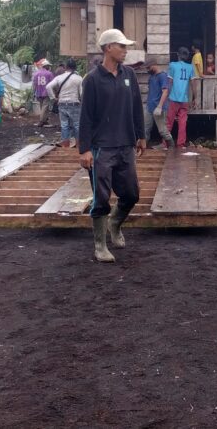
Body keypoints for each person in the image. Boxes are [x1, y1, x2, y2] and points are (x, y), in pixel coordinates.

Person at [79, 29, 145, 263]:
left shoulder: (129, 74)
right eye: (122, 46)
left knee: (132, 194)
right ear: (108, 48)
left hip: (126, 144)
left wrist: (141, 134)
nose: (126, 51)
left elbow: (137, 105)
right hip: (101, 149)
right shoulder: (93, 80)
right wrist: (84, 149)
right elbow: (85, 117)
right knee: (101, 197)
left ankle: (115, 223)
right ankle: (100, 246)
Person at [48, 59, 83, 148]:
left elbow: (48, 87)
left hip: (62, 104)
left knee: (64, 126)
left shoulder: (59, 77)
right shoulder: (79, 78)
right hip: (74, 104)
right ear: (75, 68)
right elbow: (82, 93)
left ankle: (65, 146)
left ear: (66, 67)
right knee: (76, 125)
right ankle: (78, 146)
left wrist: (53, 98)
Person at [166, 47, 194, 148]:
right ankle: (181, 144)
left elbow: (169, 82)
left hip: (173, 98)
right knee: (182, 122)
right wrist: (194, 97)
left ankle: (165, 143)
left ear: (178, 55)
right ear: (186, 57)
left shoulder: (172, 65)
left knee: (169, 122)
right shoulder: (190, 67)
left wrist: (166, 95)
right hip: (184, 99)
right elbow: (193, 84)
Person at [143, 56, 173, 149]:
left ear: (154, 65)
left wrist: (159, 106)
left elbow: (165, 91)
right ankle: (143, 147)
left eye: (148, 67)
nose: (147, 70)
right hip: (149, 107)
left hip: (159, 107)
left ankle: (172, 147)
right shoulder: (151, 77)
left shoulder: (162, 76)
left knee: (162, 130)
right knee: (145, 128)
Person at [32, 61, 55, 127]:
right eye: (48, 66)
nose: (49, 67)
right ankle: (41, 121)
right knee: (45, 107)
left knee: (42, 107)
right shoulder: (49, 73)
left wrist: (34, 92)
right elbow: (52, 84)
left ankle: (45, 121)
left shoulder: (36, 73)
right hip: (46, 93)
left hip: (38, 92)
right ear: (46, 66)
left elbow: (34, 84)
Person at [190, 42, 204, 109]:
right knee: (195, 92)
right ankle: (194, 105)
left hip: (196, 76)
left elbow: (197, 64)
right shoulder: (198, 55)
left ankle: (195, 105)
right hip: (195, 76)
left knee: (195, 92)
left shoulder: (197, 55)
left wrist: (200, 74)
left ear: (194, 47)